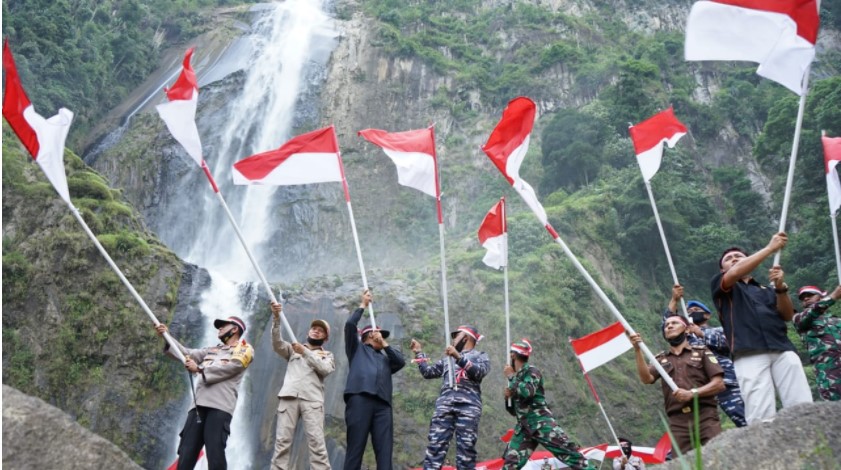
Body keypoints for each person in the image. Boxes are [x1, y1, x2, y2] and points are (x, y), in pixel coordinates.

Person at [711, 233, 813, 424]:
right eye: (728, 259)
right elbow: (734, 273)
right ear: (722, 268)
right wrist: (769, 248)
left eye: (738, 257)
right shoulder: (722, 285)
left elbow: (787, 315)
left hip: (783, 348)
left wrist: (781, 288)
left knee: (801, 404)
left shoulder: (766, 289)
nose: (733, 259)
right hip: (749, 352)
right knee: (760, 412)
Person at [155, 316, 254, 470]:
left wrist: (200, 369)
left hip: (219, 407)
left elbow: (232, 367)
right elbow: (186, 353)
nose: (219, 329)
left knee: (215, 452)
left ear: (235, 329)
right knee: (186, 452)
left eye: (223, 326)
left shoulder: (244, 349)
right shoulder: (211, 350)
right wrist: (167, 337)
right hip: (197, 406)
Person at [630, 315, 725, 453]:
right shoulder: (660, 359)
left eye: (674, 323)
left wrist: (692, 394)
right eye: (666, 325)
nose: (669, 326)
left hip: (705, 416)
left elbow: (719, 384)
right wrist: (637, 350)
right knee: (681, 464)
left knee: (717, 457)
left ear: (686, 330)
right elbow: (647, 378)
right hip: (678, 422)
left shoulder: (701, 352)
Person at [502, 339, 592, 470]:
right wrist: (507, 398)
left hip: (541, 423)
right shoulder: (517, 378)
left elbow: (528, 392)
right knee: (511, 464)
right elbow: (514, 411)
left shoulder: (531, 372)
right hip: (524, 427)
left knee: (571, 455)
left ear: (513, 355)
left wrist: (511, 376)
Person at [410, 325, 491, 469]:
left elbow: (479, 373)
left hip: (468, 407)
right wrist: (419, 353)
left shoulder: (480, 356)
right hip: (444, 407)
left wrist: (458, 357)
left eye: (456, 336)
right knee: (435, 447)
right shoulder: (447, 359)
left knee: (466, 451)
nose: (453, 339)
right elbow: (428, 372)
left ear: (466, 337)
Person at [664, 285, 747, 427]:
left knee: (742, 417)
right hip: (698, 387)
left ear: (707, 315)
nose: (691, 312)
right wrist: (674, 299)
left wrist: (700, 332)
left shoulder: (719, 330)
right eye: (689, 311)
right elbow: (667, 321)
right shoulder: (684, 337)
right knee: (703, 426)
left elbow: (728, 344)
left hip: (726, 382)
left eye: (696, 310)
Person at [344, 289, 406, 470]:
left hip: (383, 405)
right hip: (360, 399)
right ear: (369, 335)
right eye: (379, 334)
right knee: (355, 448)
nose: (382, 337)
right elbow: (349, 325)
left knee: (385, 452)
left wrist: (385, 345)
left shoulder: (386, 359)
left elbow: (400, 362)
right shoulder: (356, 349)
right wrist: (363, 305)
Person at [269, 301, 335, 469]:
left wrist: (305, 352)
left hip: (312, 401)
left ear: (325, 338)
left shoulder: (327, 355)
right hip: (289, 397)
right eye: (314, 328)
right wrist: (276, 318)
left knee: (317, 443)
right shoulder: (292, 349)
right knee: (282, 442)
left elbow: (325, 369)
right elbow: (277, 344)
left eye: (320, 331)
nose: (316, 331)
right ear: (308, 331)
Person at [794, 285, 841, 401]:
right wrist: (833, 296)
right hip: (828, 372)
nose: (805, 299)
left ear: (821, 297)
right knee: (834, 410)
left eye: (810, 295)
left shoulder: (837, 320)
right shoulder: (800, 319)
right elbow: (813, 311)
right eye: (803, 298)